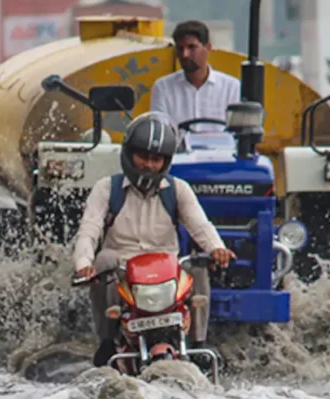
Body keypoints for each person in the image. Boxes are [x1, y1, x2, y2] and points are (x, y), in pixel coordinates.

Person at [72, 112, 236, 366]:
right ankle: (106, 341)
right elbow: (88, 231)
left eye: (156, 159)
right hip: (124, 271)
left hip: (169, 271)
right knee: (104, 259)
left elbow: (201, 225)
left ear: (166, 161)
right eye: (143, 157)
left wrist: (217, 249)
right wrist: (84, 263)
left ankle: (199, 343)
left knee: (198, 266)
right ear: (129, 154)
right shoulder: (106, 188)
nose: (148, 165)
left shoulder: (178, 189)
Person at [150, 20, 240, 132]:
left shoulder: (232, 88)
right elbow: (160, 132)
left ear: (207, 49)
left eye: (192, 47)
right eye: (180, 48)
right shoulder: (162, 87)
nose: (185, 54)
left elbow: (237, 134)